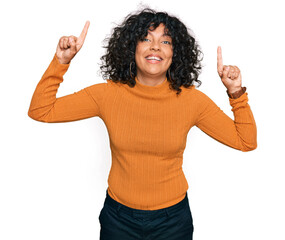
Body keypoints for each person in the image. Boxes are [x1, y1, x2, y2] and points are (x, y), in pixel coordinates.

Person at [28, 8, 257, 240]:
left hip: (172, 222)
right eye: (146, 39)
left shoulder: (192, 100)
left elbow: (245, 141)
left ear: (174, 53)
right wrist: (60, 62)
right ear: (132, 48)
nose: (155, 46)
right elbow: (41, 110)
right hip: (119, 219)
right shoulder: (107, 95)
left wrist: (236, 92)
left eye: (165, 41)